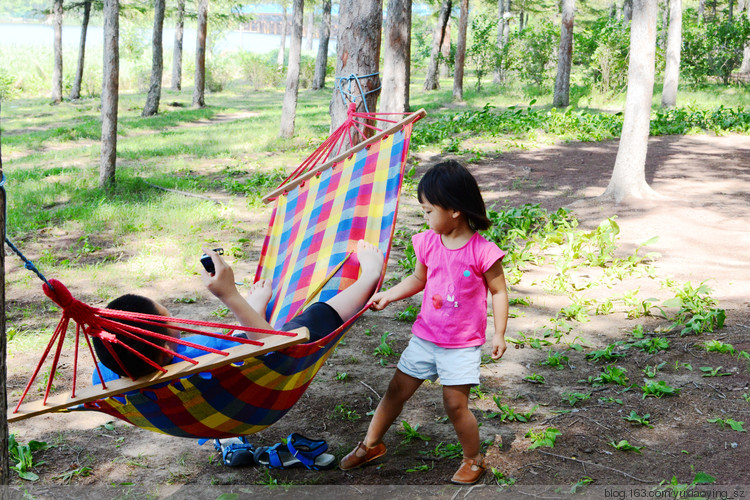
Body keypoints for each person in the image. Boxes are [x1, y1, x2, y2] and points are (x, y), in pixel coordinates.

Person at [339, 160, 509, 485]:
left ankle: (473, 459)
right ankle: (370, 445)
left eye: (429, 210)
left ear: (455, 209)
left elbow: (499, 292)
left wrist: (499, 333)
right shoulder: (428, 243)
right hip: (425, 337)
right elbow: (418, 279)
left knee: (455, 405)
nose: (425, 217)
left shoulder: (483, 251)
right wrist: (389, 294)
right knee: (395, 391)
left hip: (461, 345)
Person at [92, 240, 384, 381]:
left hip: (202, 404)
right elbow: (273, 348)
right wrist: (231, 295)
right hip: (273, 370)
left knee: (250, 331)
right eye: (170, 320)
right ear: (168, 348)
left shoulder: (112, 371)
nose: (174, 321)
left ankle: (255, 306)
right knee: (310, 322)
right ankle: (369, 277)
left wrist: (254, 304)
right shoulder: (203, 358)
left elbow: (237, 338)